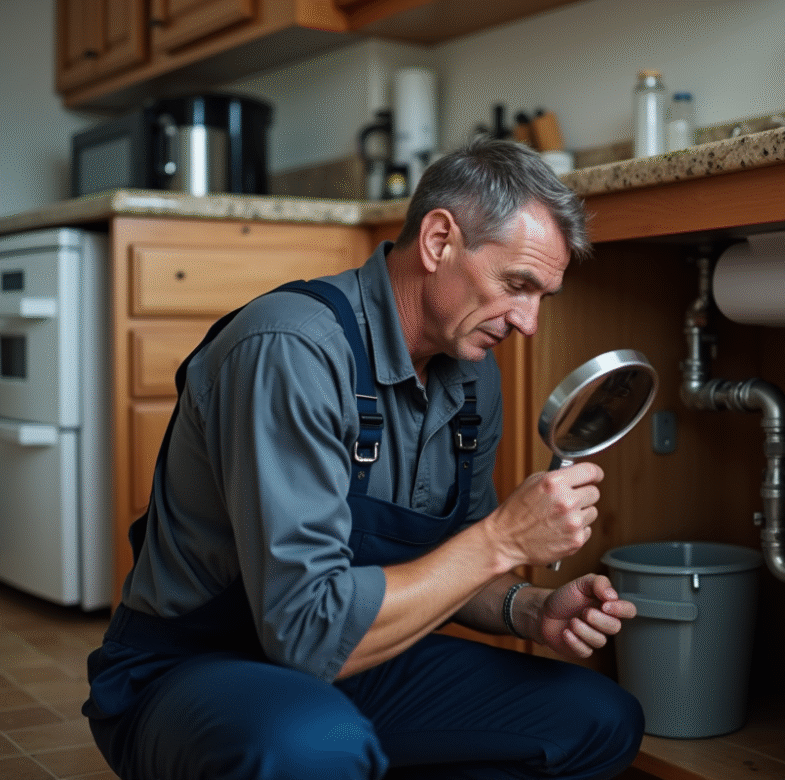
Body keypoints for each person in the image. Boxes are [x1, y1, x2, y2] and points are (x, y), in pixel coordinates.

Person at [83, 136, 645, 780]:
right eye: (517, 284)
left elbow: (454, 564)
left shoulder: (470, 376)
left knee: (600, 720)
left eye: (543, 297)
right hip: (196, 670)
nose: (528, 323)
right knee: (316, 744)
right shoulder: (291, 351)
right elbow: (306, 633)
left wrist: (529, 608)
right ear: (439, 241)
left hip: (351, 667)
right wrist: (503, 538)